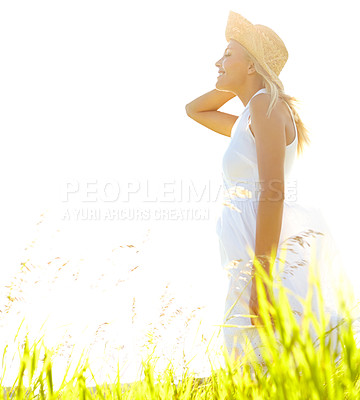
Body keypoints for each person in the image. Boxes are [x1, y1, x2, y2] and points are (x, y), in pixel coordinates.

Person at [185, 10, 350, 366]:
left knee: (261, 360)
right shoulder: (250, 114)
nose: (218, 60)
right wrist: (234, 77)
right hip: (246, 252)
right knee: (262, 360)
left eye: (228, 54)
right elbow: (194, 109)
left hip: (260, 259)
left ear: (251, 65)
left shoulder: (264, 105)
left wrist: (261, 277)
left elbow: (273, 191)